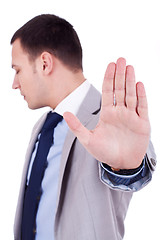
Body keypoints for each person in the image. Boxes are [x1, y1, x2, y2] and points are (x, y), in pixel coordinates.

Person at [11, 14, 156, 240]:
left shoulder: (111, 116)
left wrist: (126, 169)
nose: (14, 84)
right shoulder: (42, 126)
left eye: (17, 70)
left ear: (44, 63)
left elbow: (135, 164)